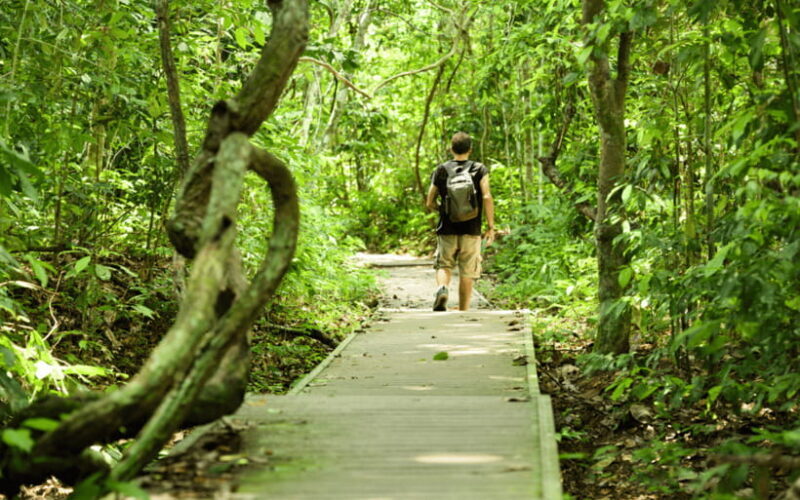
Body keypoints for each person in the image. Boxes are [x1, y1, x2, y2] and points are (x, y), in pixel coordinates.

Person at [425, 132, 495, 311]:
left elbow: (429, 201)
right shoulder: (479, 169)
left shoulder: (441, 169)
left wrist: (443, 210)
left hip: (447, 228)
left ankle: (442, 289)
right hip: (471, 229)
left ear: (451, 149)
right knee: (467, 271)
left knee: (444, 264)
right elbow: (486, 196)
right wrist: (491, 226)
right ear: (470, 150)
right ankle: (463, 310)